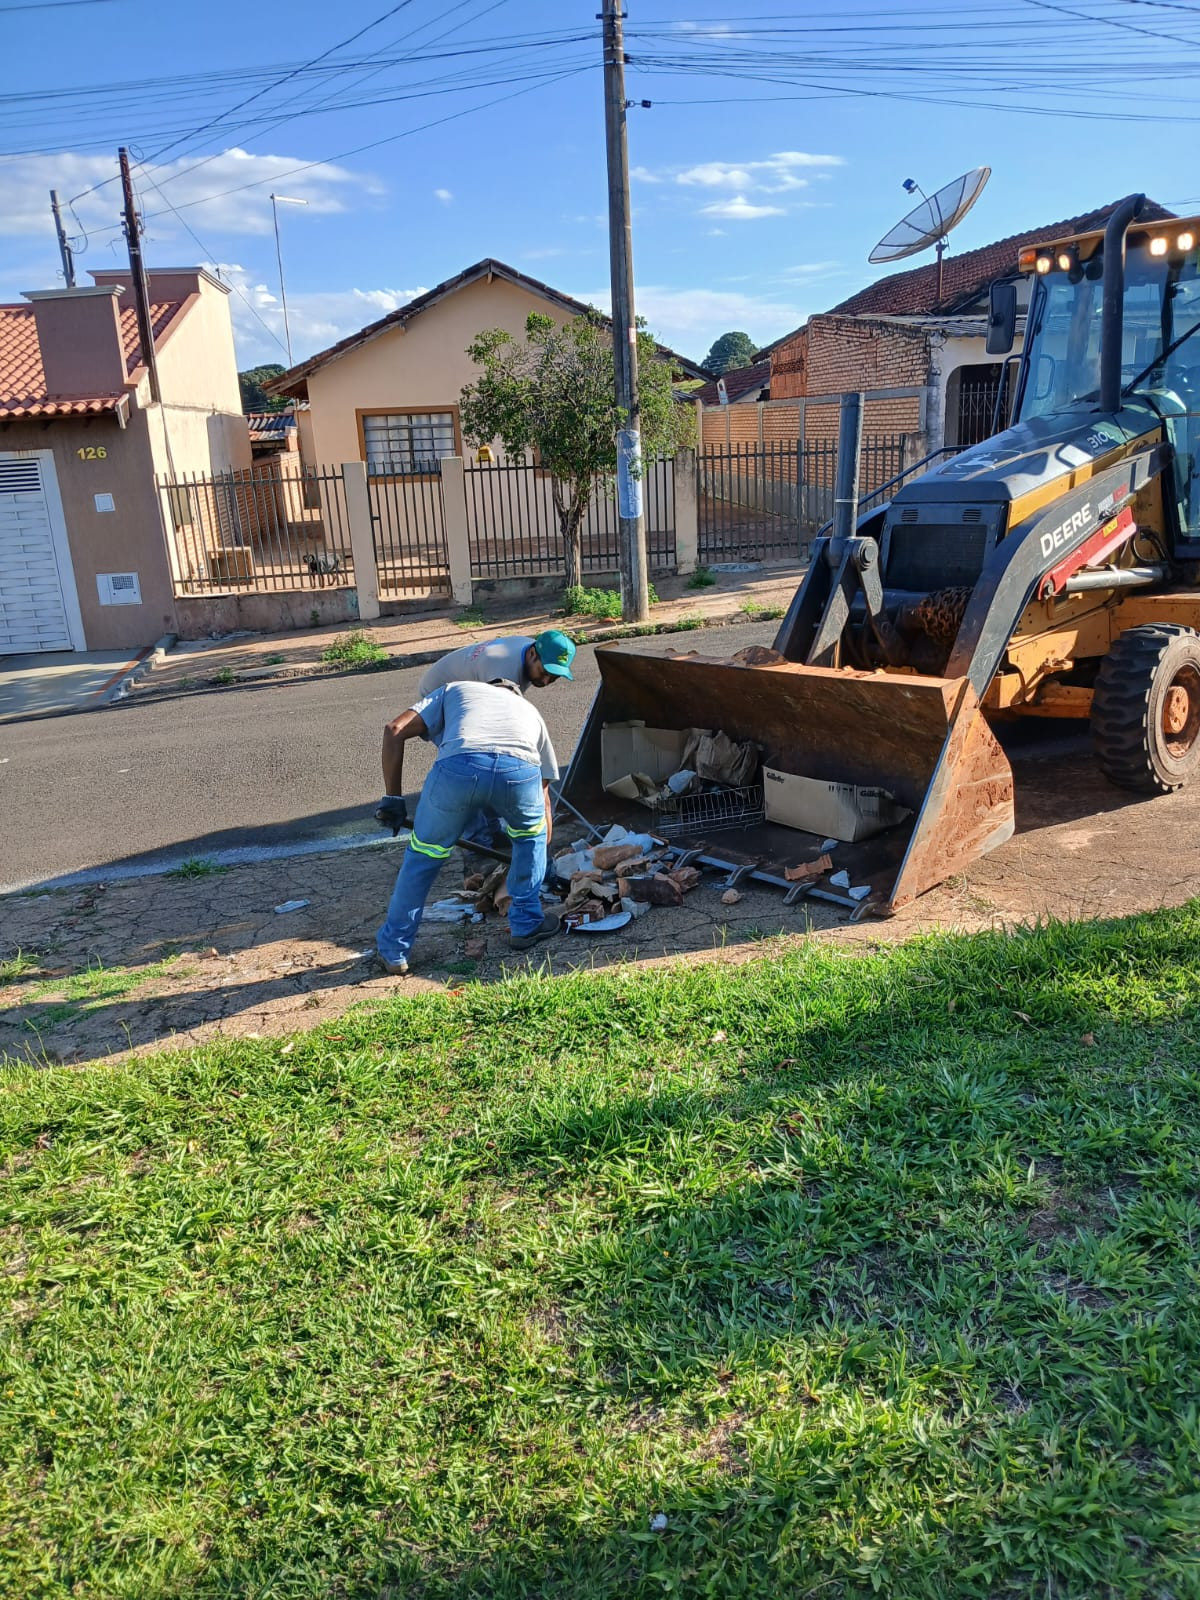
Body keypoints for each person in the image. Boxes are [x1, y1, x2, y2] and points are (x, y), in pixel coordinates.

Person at [375, 679, 560, 975]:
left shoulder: (456, 689)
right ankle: (526, 924)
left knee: (422, 859)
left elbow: (394, 729)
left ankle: (394, 951)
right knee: (528, 839)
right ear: (513, 695)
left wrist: (393, 799)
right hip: (519, 771)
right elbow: (544, 797)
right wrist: (540, 851)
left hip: (459, 767)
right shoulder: (531, 712)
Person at [416, 629, 576, 697]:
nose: (546, 681)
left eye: (554, 677)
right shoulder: (505, 671)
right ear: (533, 654)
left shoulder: (529, 649)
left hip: (469, 685)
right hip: (437, 691)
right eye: (544, 672)